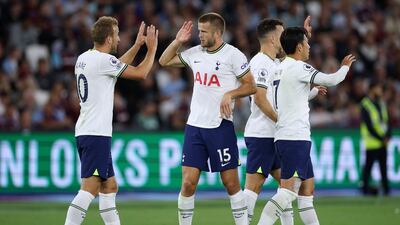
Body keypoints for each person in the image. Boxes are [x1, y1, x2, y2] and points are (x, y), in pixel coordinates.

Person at [159, 12, 256, 225]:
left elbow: (251, 85)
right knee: (188, 184)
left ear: (217, 33)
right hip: (194, 127)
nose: (199, 35)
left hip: (220, 126)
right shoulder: (195, 53)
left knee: (230, 183)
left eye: (203, 32)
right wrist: (177, 41)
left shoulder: (233, 55)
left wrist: (230, 94)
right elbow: (164, 61)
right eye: (199, 31)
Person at [256, 27, 356, 225]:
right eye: (307, 43)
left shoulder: (279, 68)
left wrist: (311, 92)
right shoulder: (299, 68)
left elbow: (287, 99)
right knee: (287, 193)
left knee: (307, 192)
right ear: (300, 47)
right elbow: (332, 79)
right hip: (295, 138)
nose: (309, 47)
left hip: (285, 136)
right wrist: (344, 66)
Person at [64, 16, 158, 225]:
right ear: (108, 38)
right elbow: (141, 73)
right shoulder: (103, 61)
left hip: (88, 130)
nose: (118, 40)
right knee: (89, 189)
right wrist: (151, 49)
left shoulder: (85, 58)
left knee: (110, 186)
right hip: (96, 133)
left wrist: (137, 45)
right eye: (116, 36)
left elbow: (114, 67)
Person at [243, 17, 326, 225]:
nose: (285, 38)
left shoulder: (277, 64)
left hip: (277, 135)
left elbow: (288, 94)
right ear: (273, 39)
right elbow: (261, 100)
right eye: (282, 34)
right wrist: (283, 122)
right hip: (263, 133)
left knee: (288, 189)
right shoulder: (260, 62)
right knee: (254, 188)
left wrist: (304, 37)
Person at [360, 81, 391, 196]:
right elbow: (369, 126)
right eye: (378, 88)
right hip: (372, 142)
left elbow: (387, 121)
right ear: (372, 89)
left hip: (383, 142)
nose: (381, 91)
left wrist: (388, 135)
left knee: (383, 168)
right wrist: (382, 138)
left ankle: (386, 190)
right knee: (368, 167)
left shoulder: (381, 103)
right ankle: (365, 190)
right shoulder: (365, 104)